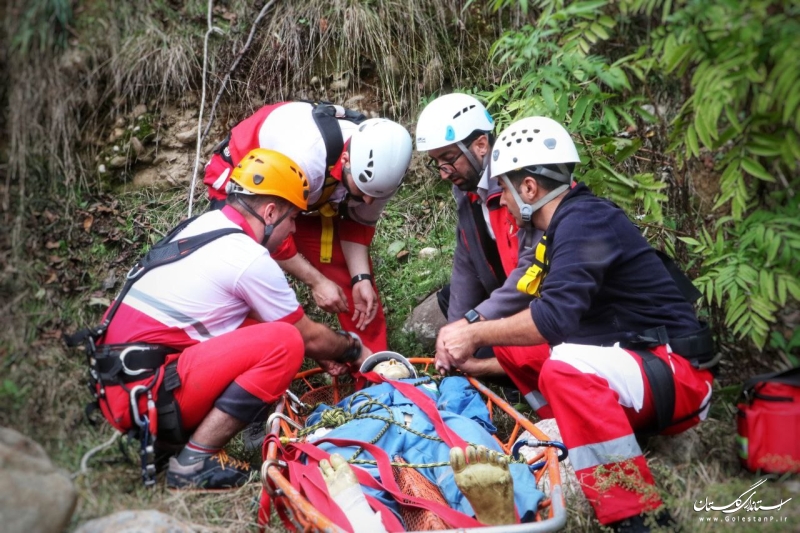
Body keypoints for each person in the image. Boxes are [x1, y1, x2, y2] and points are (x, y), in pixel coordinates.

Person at [435, 116, 715, 532]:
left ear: (529, 188)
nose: (504, 204)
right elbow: (531, 303)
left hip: (677, 372)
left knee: (563, 368)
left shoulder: (584, 221)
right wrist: (476, 344)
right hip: (643, 361)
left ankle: (637, 516)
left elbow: (552, 318)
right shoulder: (562, 227)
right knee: (517, 345)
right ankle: (565, 430)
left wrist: (472, 332)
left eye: (506, 190)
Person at [93, 149, 371, 490]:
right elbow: (304, 336)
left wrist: (321, 352)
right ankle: (194, 461)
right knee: (286, 342)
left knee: (267, 331)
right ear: (270, 212)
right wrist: (353, 350)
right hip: (144, 392)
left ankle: (170, 446)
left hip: (123, 387)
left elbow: (255, 323)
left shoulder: (203, 225)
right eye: (292, 218)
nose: (294, 228)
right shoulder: (247, 258)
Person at [204, 102, 413, 352]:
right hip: (247, 188)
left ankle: (372, 369)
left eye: (373, 195)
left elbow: (358, 223)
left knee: (350, 276)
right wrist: (316, 281)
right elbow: (272, 229)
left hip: (306, 193)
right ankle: (261, 357)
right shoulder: (306, 156)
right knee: (247, 280)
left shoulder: (381, 175)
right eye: (362, 192)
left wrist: (362, 278)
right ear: (346, 160)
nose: (368, 201)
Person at [415, 93, 540, 337]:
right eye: (437, 162)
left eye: (449, 159)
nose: (443, 173)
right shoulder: (467, 191)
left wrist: (474, 324)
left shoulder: (517, 186)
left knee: (480, 347)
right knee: (450, 300)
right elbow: (467, 260)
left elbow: (531, 267)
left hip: (534, 296)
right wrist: (454, 331)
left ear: (481, 145)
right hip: (504, 288)